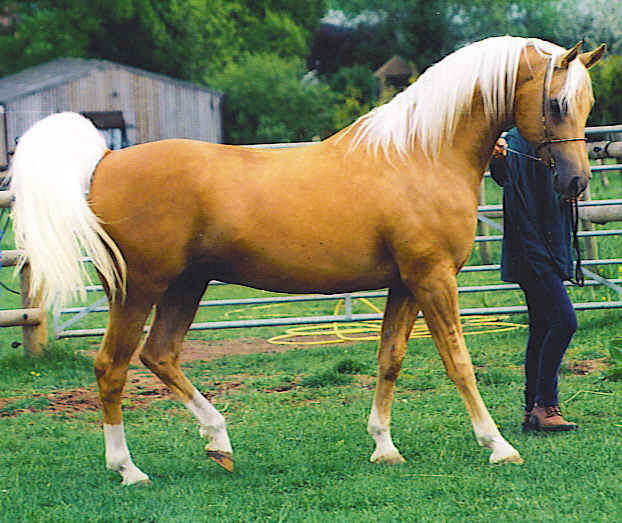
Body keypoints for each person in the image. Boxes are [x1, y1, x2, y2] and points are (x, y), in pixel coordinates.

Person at [489, 127, 580, 431]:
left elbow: (562, 181)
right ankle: (545, 405)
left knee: (542, 328)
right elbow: (502, 175)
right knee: (565, 321)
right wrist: (499, 158)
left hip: (547, 246)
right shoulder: (514, 141)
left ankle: (533, 409)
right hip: (530, 249)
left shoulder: (556, 137)